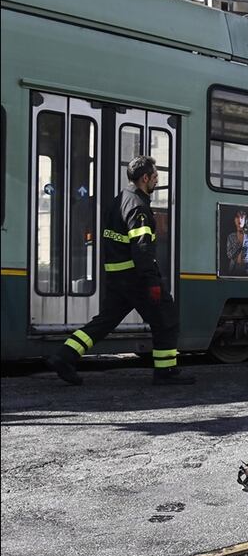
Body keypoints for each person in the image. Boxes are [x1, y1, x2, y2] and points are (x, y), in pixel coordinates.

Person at [45, 155, 194, 386]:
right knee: (166, 318)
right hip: (136, 277)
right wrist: (152, 281)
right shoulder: (139, 207)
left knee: (105, 321)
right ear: (145, 178)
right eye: (155, 176)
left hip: (117, 276)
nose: (156, 181)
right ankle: (165, 372)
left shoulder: (119, 200)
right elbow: (142, 248)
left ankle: (64, 356)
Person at [225, 209, 248, 276]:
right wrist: (239, 244)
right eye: (237, 217)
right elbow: (229, 255)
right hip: (234, 270)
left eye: (242, 217)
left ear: (245, 219)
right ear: (234, 220)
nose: (239, 220)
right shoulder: (231, 236)